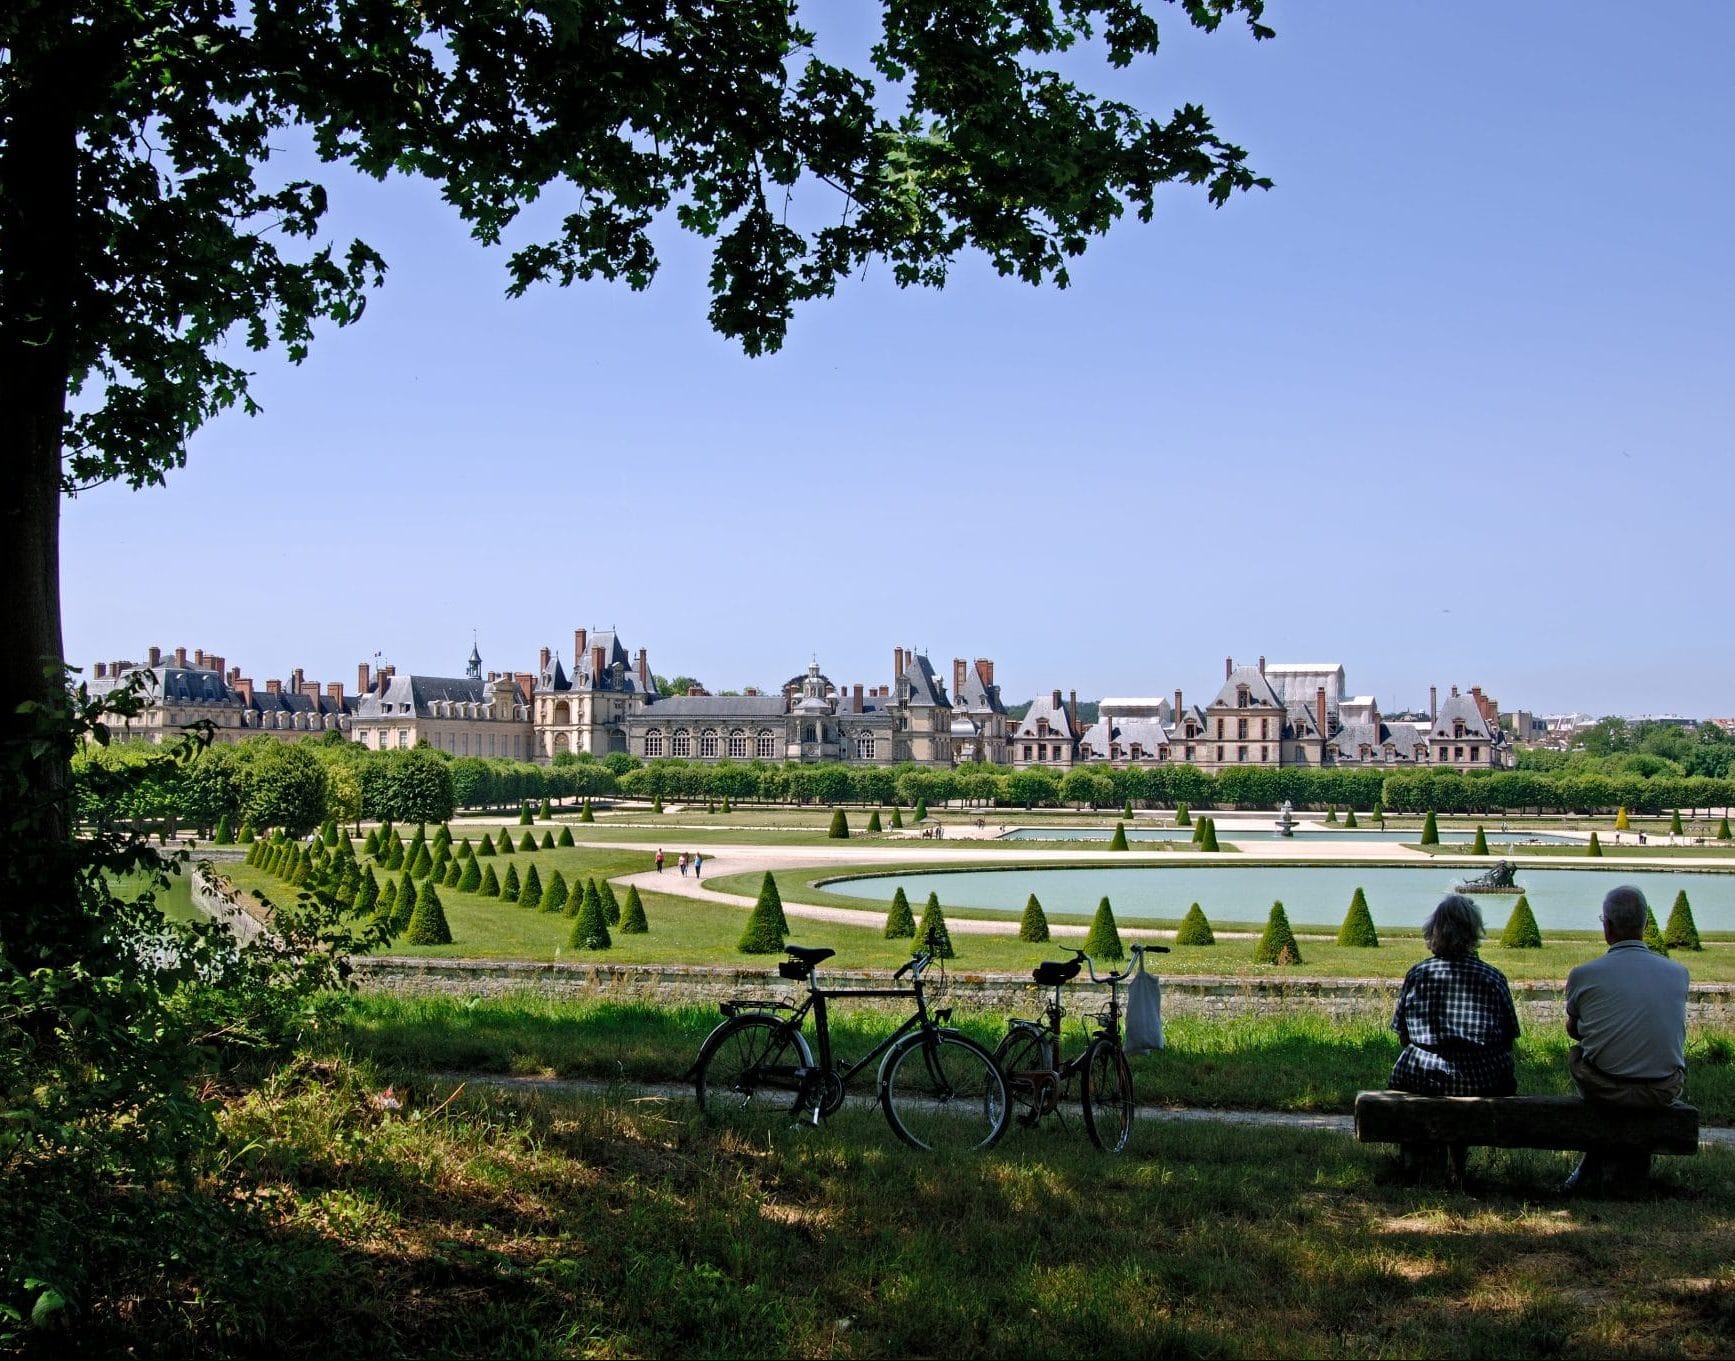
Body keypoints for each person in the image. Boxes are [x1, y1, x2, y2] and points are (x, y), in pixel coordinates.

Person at [1562, 886, 1690, 1191]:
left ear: (1607, 927)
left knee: (1578, 1055)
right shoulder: (1678, 973)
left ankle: (1593, 1164)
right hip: (1661, 1089)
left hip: (1604, 1089)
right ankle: (1629, 1167)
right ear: (1646, 926)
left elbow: (1574, 1030)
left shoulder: (1583, 974)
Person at [1390, 894, 1521, 1098]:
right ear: (1474, 931)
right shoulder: (1492, 977)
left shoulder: (1419, 974)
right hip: (1483, 1081)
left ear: (1433, 930)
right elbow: (1508, 1039)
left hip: (1423, 1077)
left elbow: (1402, 1035)